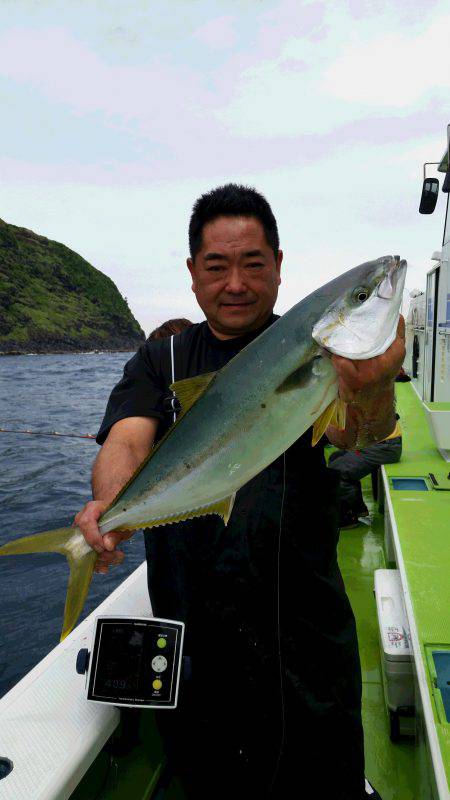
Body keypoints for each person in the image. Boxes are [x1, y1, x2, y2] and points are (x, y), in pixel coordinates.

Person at [74, 184, 405, 799]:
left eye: (254, 264)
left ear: (279, 267)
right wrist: (112, 506)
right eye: (217, 266)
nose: (236, 283)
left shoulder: (318, 348)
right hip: (197, 645)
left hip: (306, 638)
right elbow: (125, 441)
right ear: (193, 275)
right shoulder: (161, 361)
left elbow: (360, 429)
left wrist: (375, 386)